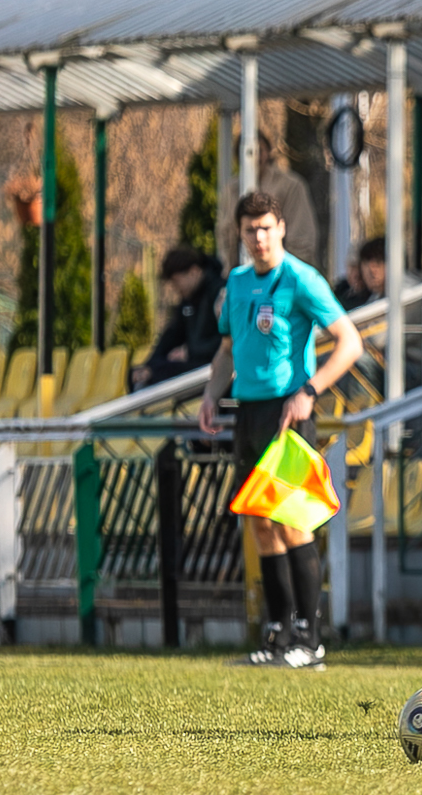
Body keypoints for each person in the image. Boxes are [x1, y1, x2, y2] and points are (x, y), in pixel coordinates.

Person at [199, 191, 365, 669]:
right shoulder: (237, 282)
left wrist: (310, 390)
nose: (259, 237)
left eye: (266, 227)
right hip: (248, 413)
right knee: (259, 522)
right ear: (240, 233)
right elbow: (227, 350)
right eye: (250, 229)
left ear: (281, 228)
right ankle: (277, 636)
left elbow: (349, 342)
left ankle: (310, 641)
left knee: (293, 521)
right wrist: (211, 394)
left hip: (288, 414)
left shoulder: (300, 278)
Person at [133, 245, 224, 390]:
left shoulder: (220, 293)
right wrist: (149, 365)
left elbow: (224, 342)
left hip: (210, 366)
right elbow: (172, 335)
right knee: (138, 373)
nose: (175, 288)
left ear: (194, 271)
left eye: (176, 281)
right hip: (194, 362)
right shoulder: (187, 302)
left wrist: (190, 352)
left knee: (161, 373)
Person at [255, 130, 320, 265]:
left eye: (259, 151)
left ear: (268, 152)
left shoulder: (290, 186)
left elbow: (302, 237)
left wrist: (288, 271)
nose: (255, 157)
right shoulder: (231, 190)